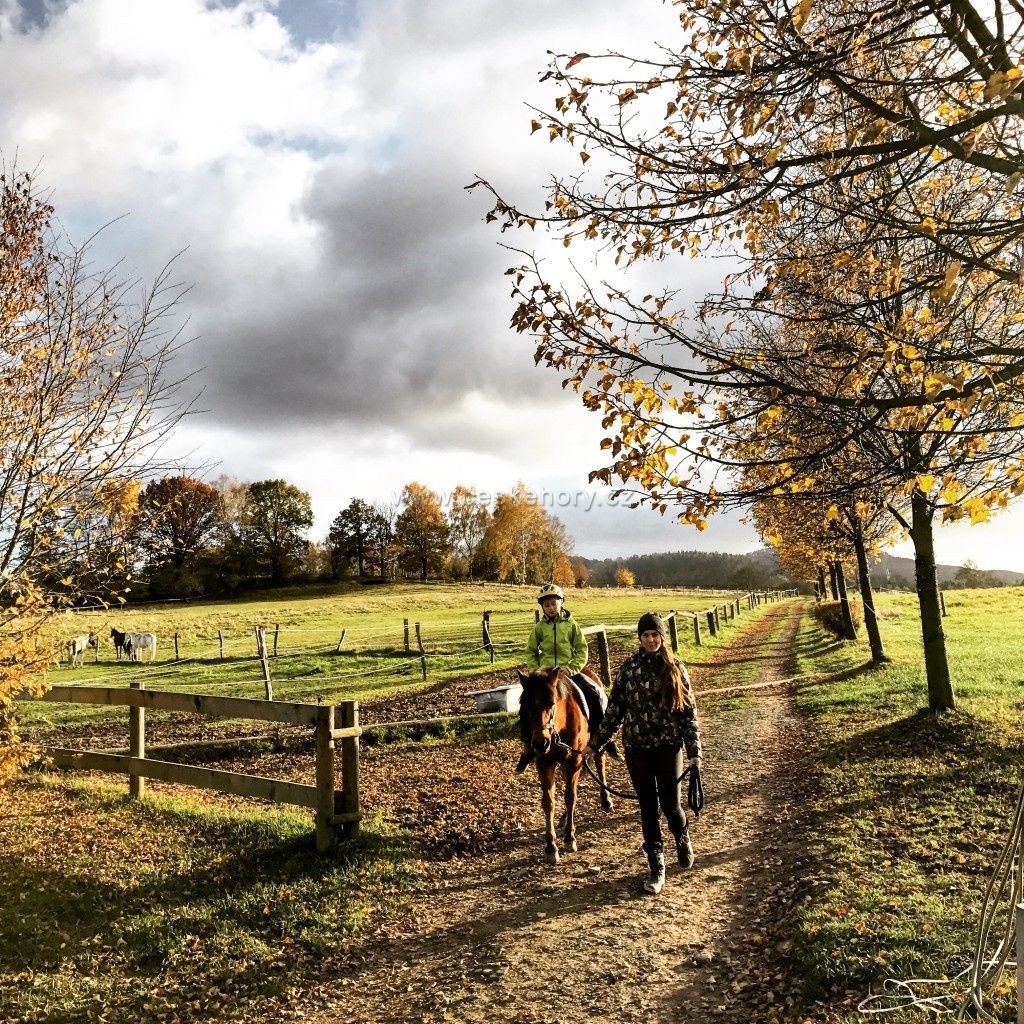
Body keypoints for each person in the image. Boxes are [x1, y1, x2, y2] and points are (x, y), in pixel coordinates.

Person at [584, 611, 702, 895]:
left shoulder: (676, 669)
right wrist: (594, 744)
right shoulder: (628, 669)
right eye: (646, 635)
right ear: (640, 638)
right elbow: (614, 713)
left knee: (671, 805)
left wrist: (694, 751)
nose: (651, 640)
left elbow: (688, 713)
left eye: (655, 635)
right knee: (647, 807)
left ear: (662, 637)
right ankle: (656, 865)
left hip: (668, 746)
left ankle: (682, 837)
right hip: (637, 749)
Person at [515, 582, 608, 773]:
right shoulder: (539, 628)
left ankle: (602, 739)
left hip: (568, 672)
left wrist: (572, 668)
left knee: (594, 694)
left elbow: (581, 649)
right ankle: (527, 748)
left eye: (554, 603)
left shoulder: (571, 625)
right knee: (525, 705)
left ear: (561, 603)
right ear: (542, 607)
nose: (550, 607)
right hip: (545, 676)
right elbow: (531, 651)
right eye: (547, 605)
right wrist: (536, 670)